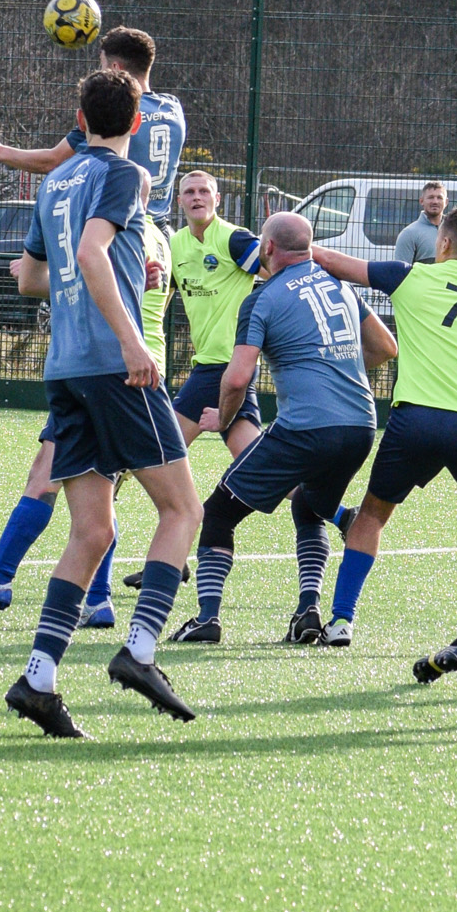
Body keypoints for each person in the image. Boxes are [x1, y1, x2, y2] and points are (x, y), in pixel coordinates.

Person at [5, 71, 202, 737]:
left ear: (79, 119)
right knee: (183, 509)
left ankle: (39, 679)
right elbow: (91, 252)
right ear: (138, 125)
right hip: (114, 369)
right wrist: (133, 343)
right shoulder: (123, 175)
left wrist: (65, 280)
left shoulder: (54, 182)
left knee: (94, 532)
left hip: (64, 370)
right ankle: (141, 650)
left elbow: (32, 277)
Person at [0, 166, 167, 625]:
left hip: (102, 369)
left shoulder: (109, 234)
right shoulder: (138, 234)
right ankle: (96, 599)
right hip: (107, 368)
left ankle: (0, 578)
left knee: (51, 478)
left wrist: (43, 274)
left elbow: (89, 279)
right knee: (98, 494)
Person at [306, 203, 457, 646]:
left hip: (414, 420)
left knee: (371, 513)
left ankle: (342, 622)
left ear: (442, 242)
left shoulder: (406, 275)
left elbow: (331, 261)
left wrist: (288, 243)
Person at [179, 212, 395, 646]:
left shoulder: (262, 299)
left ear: (269, 249)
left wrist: (223, 417)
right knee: (310, 506)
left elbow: (237, 378)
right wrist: (334, 366)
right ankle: (308, 611)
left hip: (306, 428)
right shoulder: (342, 287)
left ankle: (207, 618)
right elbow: (386, 348)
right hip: (360, 426)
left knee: (219, 512)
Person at [117, 169, 265, 595]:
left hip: (222, 368)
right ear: (179, 201)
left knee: (155, 457)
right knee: (259, 463)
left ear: (217, 199)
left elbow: (276, 271)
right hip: (216, 370)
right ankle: (337, 512)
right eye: (189, 192)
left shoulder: (235, 240)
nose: (197, 197)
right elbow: (158, 295)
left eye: (204, 191)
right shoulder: (175, 246)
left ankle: (167, 559)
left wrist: (263, 326)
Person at [0, 24, 187, 229]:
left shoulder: (115, 109)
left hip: (123, 227)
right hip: (160, 233)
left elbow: (52, 160)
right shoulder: (173, 108)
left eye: (103, 65)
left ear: (116, 68)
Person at [393, 182, 447, 267]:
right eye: (431, 197)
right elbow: (401, 274)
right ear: (421, 201)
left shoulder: (455, 233)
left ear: (446, 202)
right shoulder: (408, 234)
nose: (435, 201)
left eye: (439, 197)